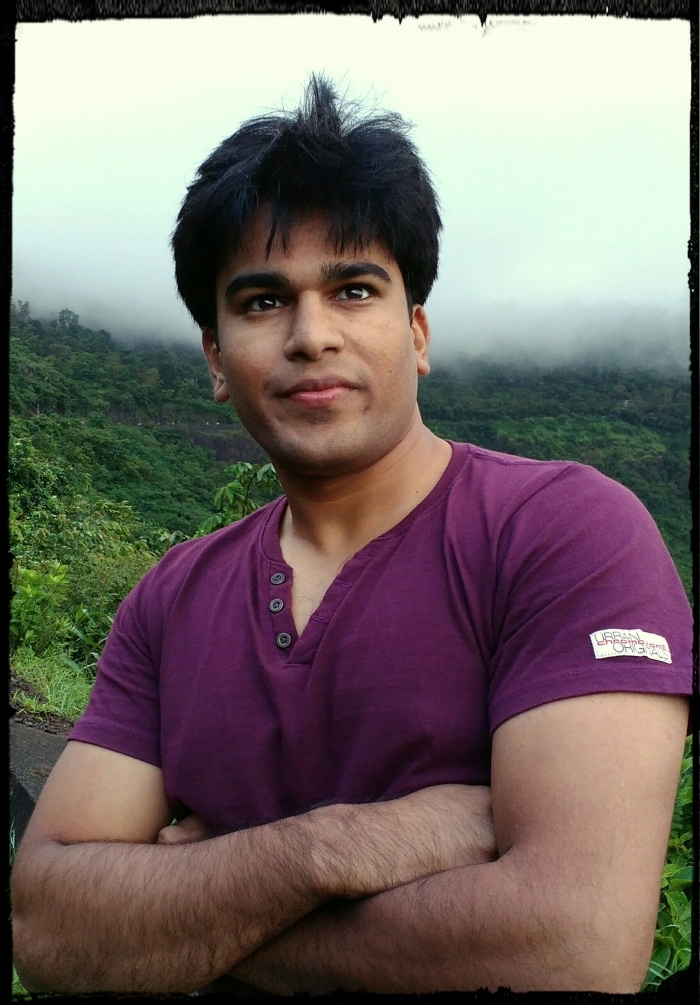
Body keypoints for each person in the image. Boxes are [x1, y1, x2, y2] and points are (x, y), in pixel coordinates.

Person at [11, 75, 692, 996]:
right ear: (216, 359)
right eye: (262, 301)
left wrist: (190, 909)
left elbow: (572, 949)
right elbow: (48, 927)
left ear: (417, 332)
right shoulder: (171, 598)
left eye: (354, 289)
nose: (311, 335)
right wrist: (338, 848)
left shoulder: (565, 534)